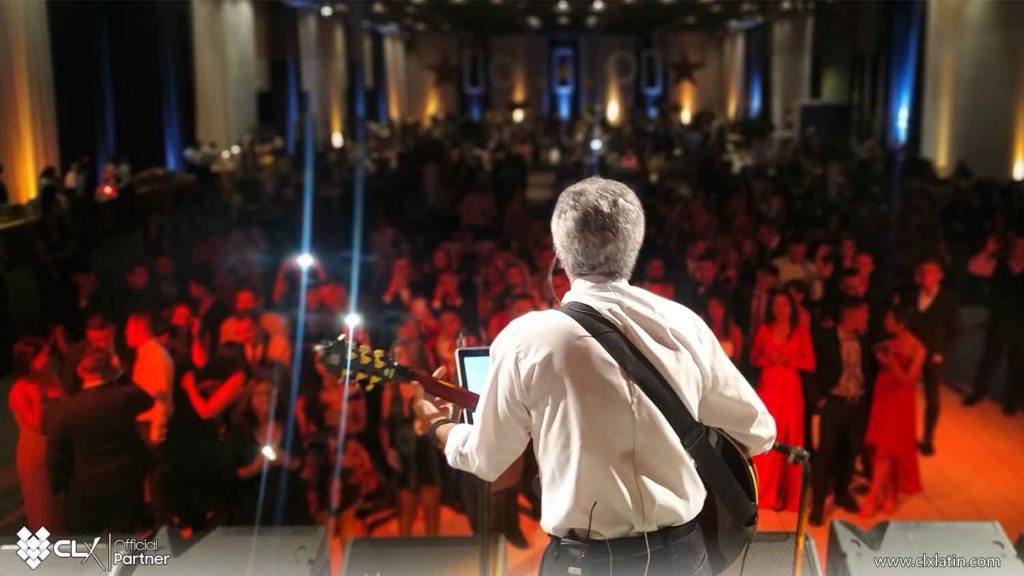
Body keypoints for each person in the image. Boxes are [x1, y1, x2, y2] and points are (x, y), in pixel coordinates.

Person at [413, 177, 775, 576]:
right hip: (684, 556)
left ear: (560, 256)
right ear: (633, 247)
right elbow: (758, 432)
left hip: (588, 563)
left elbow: (486, 457)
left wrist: (438, 424)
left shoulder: (525, 339)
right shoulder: (684, 324)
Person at [44, 347, 153, 534]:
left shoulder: (65, 410)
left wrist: (59, 486)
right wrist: (120, 375)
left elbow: (56, 453)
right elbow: (147, 399)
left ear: (80, 371)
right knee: (122, 536)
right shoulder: (125, 397)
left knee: (88, 541)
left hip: (86, 484)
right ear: (110, 370)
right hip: (125, 478)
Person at [810, 298, 873, 526]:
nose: (867, 318)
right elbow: (811, 370)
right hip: (834, 402)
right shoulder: (825, 338)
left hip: (857, 403)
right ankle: (818, 504)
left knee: (850, 451)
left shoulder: (865, 340)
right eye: (864, 313)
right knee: (825, 454)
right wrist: (819, 399)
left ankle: (841, 492)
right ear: (851, 315)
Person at [750, 289, 815, 512]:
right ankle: (767, 494)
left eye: (784, 304)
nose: (780, 309)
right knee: (770, 439)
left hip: (791, 390)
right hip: (769, 388)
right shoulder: (764, 329)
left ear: (791, 307)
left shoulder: (800, 331)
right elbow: (754, 357)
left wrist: (789, 359)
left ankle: (791, 497)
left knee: (791, 438)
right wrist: (767, 359)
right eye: (776, 304)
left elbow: (810, 363)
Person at [862, 305, 925, 516]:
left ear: (901, 323)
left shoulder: (918, 347)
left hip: (900, 402)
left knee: (887, 450)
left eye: (889, 319)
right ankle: (890, 494)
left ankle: (872, 498)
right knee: (882, 449)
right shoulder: (885, 343)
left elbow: (908, 380)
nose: (885, 322)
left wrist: (892, 364)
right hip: (883, 397)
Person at [381, 338, 443, 537]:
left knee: (430, 505)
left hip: (427, 450)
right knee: (406, 509)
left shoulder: (427, 383)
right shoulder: (390, 387)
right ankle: (404, 552)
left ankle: (432, 549)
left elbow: (439, 416)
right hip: (403, 452)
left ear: (412, 356)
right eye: (393, 355)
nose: (395, 359)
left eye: (399, 355)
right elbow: (384, 424)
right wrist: (388, 450)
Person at [228, 374, 309, 526]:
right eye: (259, 394)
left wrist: (285, 459)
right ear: (250, 400)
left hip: (289, 501)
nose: (265, 398)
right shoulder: (240, 431)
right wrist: (255, 467)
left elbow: (301, 463)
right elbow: (231, 473)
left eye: (269, 393)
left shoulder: (289, 424)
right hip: (254, 506)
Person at [8, 337, 64, 531]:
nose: (48, 359)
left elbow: (66, 405)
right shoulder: (19, 390)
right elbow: (37, 425)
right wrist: (39, 397)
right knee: (42, 506)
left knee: (60, 504)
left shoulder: (50, 377)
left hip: (58, 445)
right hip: (36, 453)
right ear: (29, 360)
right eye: (43, 356)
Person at [964, 235, 1024, 414]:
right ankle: (977, 393)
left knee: (1017, 365)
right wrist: (987, 251)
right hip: (998, 320)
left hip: (1020, 325)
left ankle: (1012, 404)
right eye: (1019, 246)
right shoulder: (1000, 265)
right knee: (989, 360)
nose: (1022, 250)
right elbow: (974, 268)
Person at [906, 259, 959, 456]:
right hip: (911, 352)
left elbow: (955, 330)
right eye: (924, 272)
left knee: (932, 398)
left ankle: (928, 438)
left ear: (940, 276)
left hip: (933, 355)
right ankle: (903, 434)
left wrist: (942, 353)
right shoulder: (912, 295)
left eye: (931, 273)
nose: (926, 277)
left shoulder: (948, 299)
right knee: (903, 393)